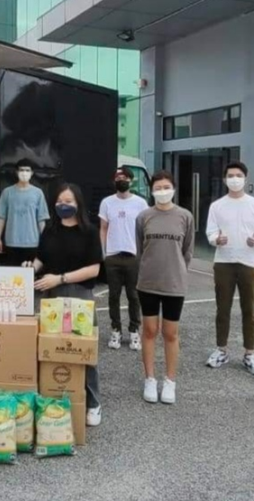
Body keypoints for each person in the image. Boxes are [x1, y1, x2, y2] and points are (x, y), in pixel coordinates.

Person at [26, 183, 103, 426]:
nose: (64, 205)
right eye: (60, 201)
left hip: (79, 296)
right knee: (52, 348)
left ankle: (93, 402)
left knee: (83, 351)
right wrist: (31, 268)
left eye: (69, 201)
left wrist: (60, 278)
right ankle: (54, 395)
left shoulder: (89, 231)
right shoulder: (50, 229)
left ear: (78, 204)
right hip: (51, 297)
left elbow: (94, 268)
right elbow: (41, 258)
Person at [205, 161, 254, 376]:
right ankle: (221, 349)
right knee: (222, 308)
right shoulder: (217, 206)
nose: (234, 179)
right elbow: (210, 232)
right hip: (223, 261)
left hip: (249, 262)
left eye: (238, 175)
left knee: (249, 310)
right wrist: (217, 239)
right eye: (231, 175)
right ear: (225, 179)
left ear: (245, 178)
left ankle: (249, 353)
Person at [136, 171, 194, 405]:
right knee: (149, 330)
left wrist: (177, 269)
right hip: (148, 282)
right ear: (151, 191)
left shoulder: (185, 216)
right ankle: (150, 378)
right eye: (157, 187)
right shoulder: (143, 217)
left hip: (174, 283)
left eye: (166, 187)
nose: (162, 191)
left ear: (174, 188)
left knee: (170, 333)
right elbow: (141, 249)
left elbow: (187, 251)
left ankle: (170, 381)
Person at [99, 166, 148, 351]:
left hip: (133, 256)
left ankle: (134, 331)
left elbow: (145, 230)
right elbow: (103, 228)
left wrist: (144, 253)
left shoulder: (140, 203)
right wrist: (103, 252)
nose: (122, 180)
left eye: (125, 177)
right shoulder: (107, 202)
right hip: (112, 255)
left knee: (134, 296)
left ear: (131, 180)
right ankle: (115, 330)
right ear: (114, 181)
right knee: (113, 296)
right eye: (119, 177)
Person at [0, 159, 49, 267]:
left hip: (33, 242)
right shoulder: (7, 192)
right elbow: (1, 216)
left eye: (27, 170)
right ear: (16, 172)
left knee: (30, 275)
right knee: (11, 276)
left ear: (32, 172)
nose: (24, 173)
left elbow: (41, 219)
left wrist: (45, 241)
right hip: (11, 241)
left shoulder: (38, 193)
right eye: (21, 170)